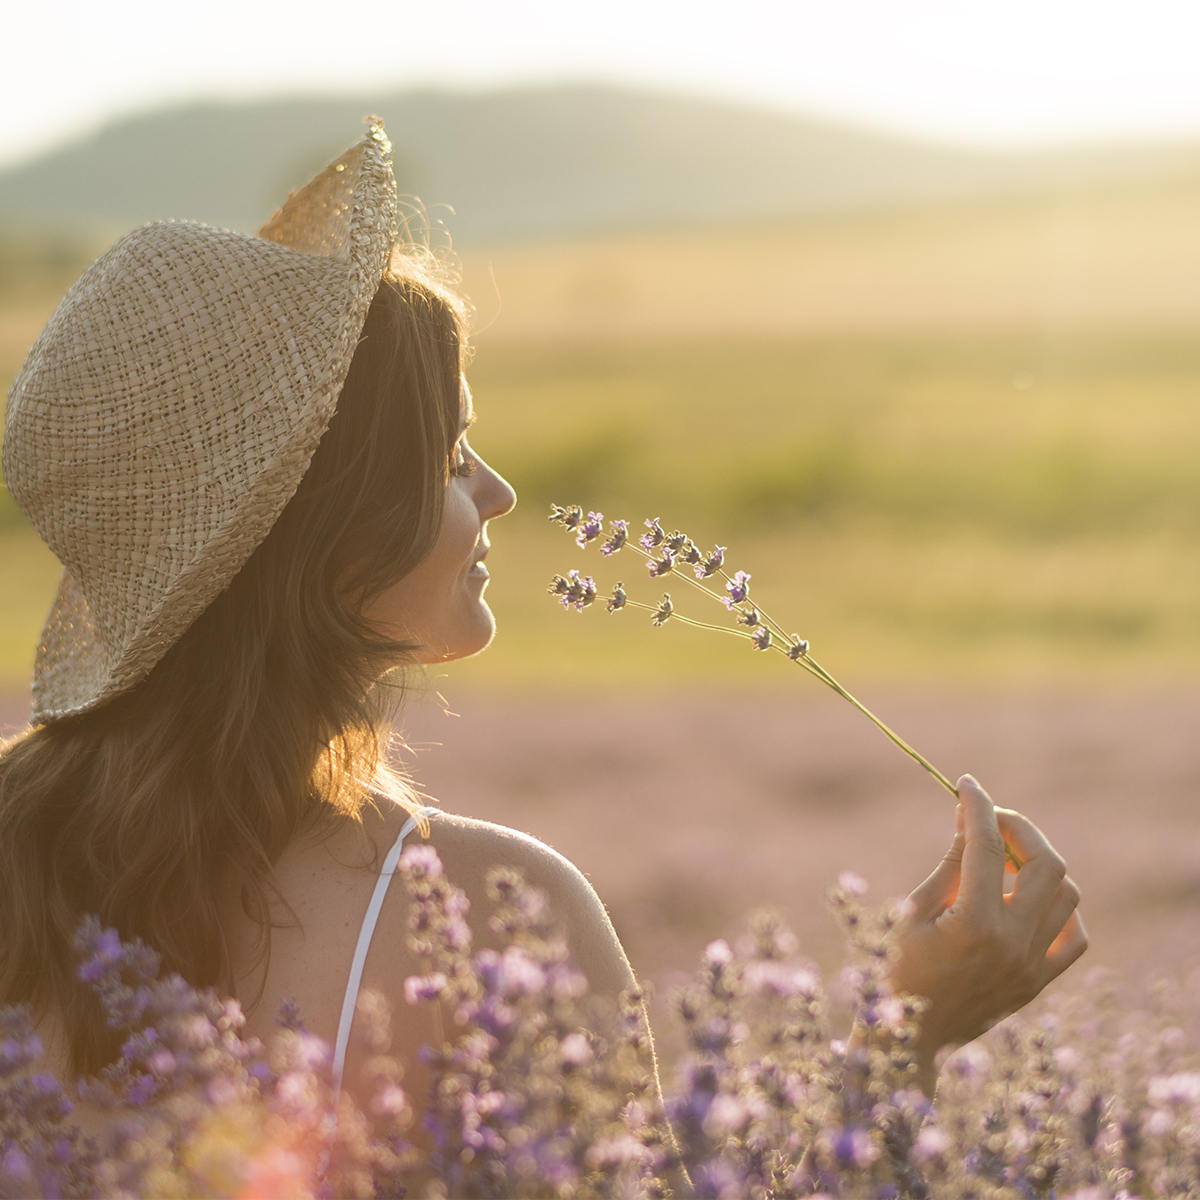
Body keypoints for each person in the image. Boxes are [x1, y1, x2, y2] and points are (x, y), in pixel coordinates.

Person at [0, 123, 1086, 1126]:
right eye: (447, 457)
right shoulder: (485, 922)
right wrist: (908, 1038)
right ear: (326, 535)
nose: (500, 491)